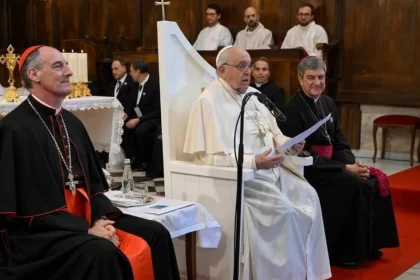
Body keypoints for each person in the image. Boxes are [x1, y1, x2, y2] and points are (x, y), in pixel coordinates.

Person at [0, 45, 180, 280]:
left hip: (84, 216)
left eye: (66, 64)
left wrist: (101, 218)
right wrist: (86, 229)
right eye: (58, 66)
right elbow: (28, 211)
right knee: (101, 252)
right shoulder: (15, 129)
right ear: (34, 74)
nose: (69, 72)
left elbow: (93, 186)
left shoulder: (72, 122)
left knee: (156, 233)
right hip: (38, 232)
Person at [183, 46, 331, 280]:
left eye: (249, 66)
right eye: (241, 66)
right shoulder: (208, 102)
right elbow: (209, 157)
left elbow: (272, 132)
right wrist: (254, 162)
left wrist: (289, 142)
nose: (248, 72)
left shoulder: (253, 95)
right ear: (222, 70)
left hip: (273, 171)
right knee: (287, 212)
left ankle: (305, 272)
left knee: (309, 195)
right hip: (244, 180)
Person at [279, 56, 400, 268]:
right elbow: (303, 153)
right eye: (311, 78)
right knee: (351, 185)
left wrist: (353, 164)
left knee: (374, 180)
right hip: (311, 170)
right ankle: (345, 253)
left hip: (333, 165)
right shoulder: (290, 109)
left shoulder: (328, 103)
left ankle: (370, 246)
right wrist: (344, 168)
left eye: (321, 77)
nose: (317, 82)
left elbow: (340, 141)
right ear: (300, 79)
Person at [126, 60, 161, 174]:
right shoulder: (134, 85)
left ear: (138, 71)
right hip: (138, 116)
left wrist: (139, 120)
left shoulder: (154, 85)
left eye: (131, 71)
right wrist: (126, 114)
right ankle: (134, 158)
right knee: (123, 127)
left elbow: (157, 110)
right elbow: (131, 103)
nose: (130, 74)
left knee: (141, 130)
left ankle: (145, 160)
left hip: (152, 118)